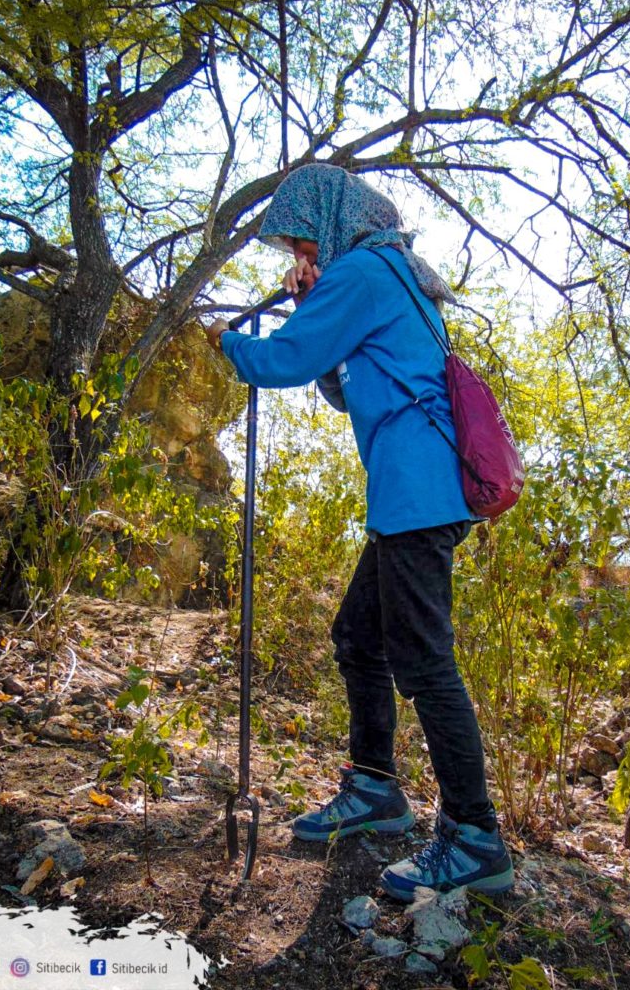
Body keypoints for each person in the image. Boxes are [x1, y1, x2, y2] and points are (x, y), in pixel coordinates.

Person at [206, 163, 513, 901]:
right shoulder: (389, 272)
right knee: (358, 637)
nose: (298, 257)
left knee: (422, 660)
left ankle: (473, 837)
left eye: (303, 239)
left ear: (334, 219)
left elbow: (282, 361)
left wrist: (224, 340)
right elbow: (343, 387)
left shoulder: (365, 273)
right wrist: (312, 309)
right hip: (417, 493)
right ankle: (375, 788)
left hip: (416, 493)